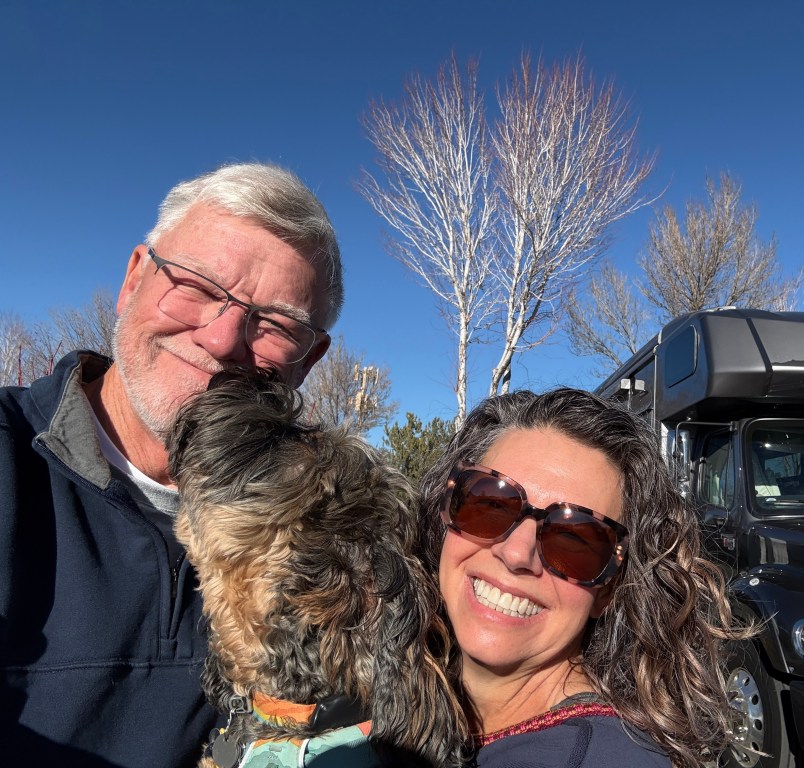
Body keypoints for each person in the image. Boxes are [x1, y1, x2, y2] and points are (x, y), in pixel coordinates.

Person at [0, 162, 343, 767]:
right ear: (134, 279)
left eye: (275, 324)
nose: (222, 337)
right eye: (198, 286)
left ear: (310, 359)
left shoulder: (322, 533)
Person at [417, 388, 748, 768]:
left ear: (608, 589)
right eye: (490, 504)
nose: (515, 554)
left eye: (574, 539)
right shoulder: (387, 683)